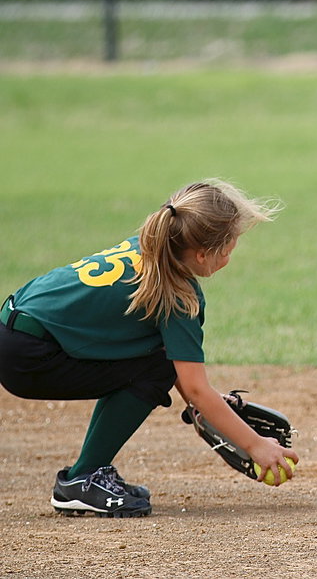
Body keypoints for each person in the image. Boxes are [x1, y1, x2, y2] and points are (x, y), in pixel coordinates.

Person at [0, 180, 299, 517]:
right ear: (202, 254)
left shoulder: (151, 249)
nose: (230, 255)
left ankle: (87, 473)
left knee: (154, 361)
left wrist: (209, 407)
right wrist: (255, 445)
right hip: (31, 356)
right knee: (156, 369)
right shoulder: (178, 295)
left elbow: (186, 380)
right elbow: (193, 386)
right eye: (229, 248)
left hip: (13, 331)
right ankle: (83, 479)